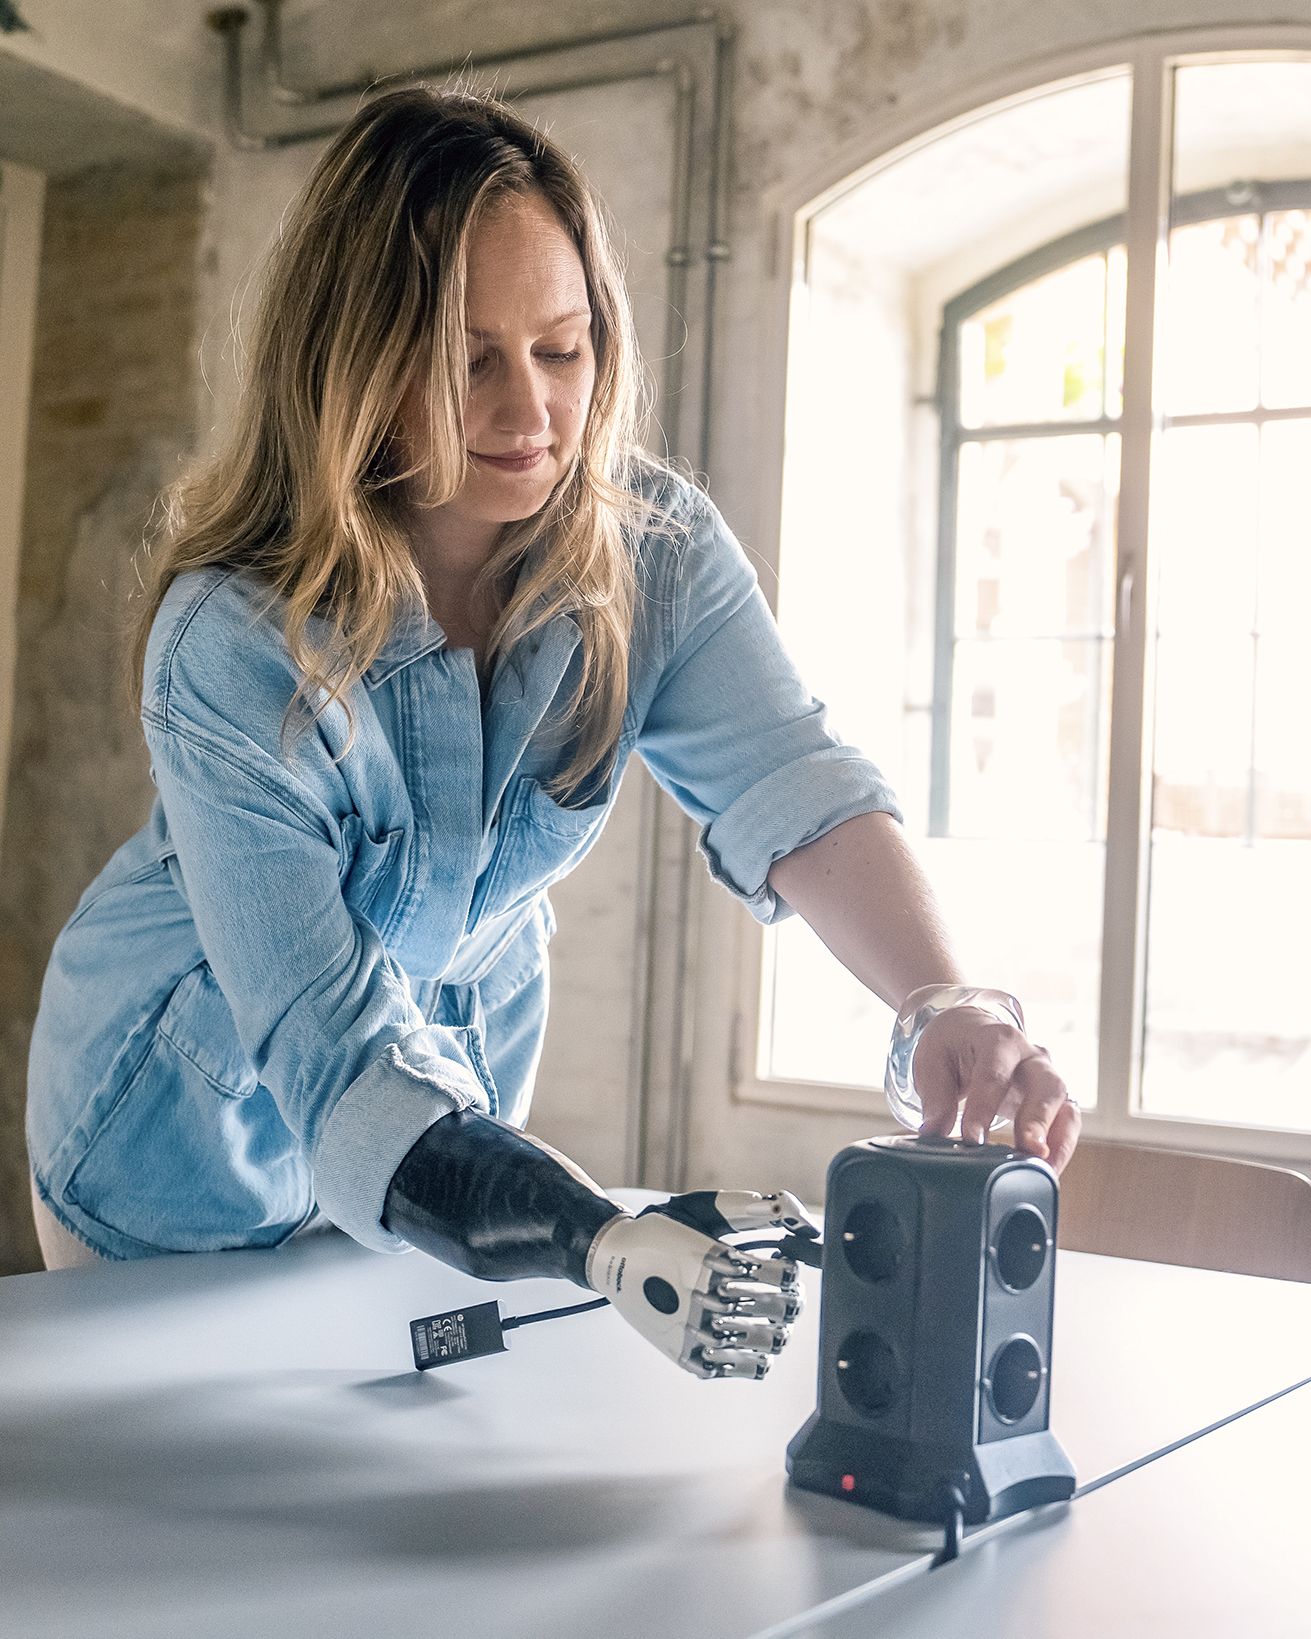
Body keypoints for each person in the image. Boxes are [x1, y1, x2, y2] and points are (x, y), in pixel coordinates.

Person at [25, 89, 1078, 1379]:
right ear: (357, 365)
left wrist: (944, 1000)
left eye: (562, 350)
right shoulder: (233, 640)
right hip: (174, 1143)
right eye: (468, 360)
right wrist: (594, 1238)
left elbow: (794, 783)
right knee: (180, 1488)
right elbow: (337, 1059)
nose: (530, 410)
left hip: (449, 1150)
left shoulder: (655, 552)